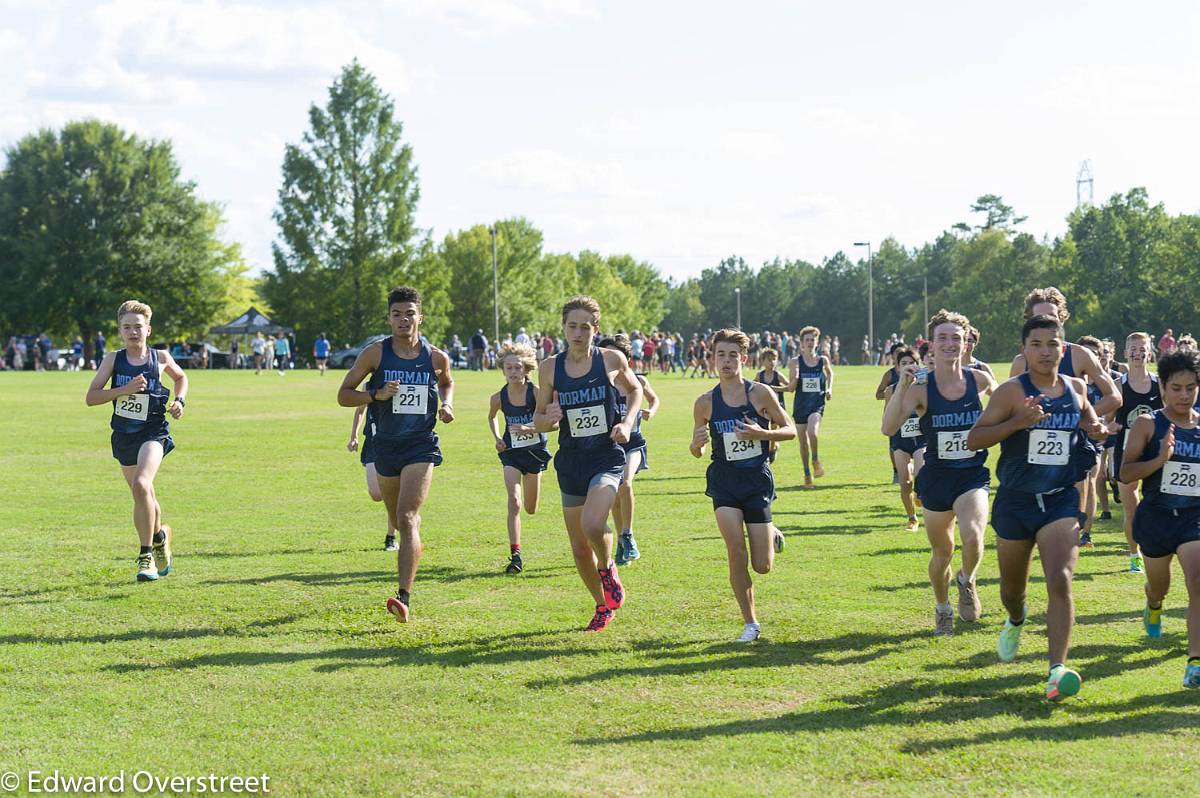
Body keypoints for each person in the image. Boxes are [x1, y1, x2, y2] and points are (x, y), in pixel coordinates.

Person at [970, 314, 1108, 699]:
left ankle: (1056, 670)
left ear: (1064, 349)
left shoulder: (1076, 387)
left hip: (1061, 499)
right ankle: (1016, 619)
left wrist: (1095, 429)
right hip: (1016, 501)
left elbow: (1091, 422)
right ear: (1024, 349)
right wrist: (1018, 422)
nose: (1046, 352)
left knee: (1060, 578)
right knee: (1012, 590)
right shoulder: (1012, 392)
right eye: (1037, 345)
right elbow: (975, 439)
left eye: (1053, 344)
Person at [337, 286, 455, 623]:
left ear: (421, 316)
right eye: (396, 314)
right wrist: (375, 394)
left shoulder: (436, 357)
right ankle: (412, 540)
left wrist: (447, 404)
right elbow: (344, 395)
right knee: (401, 521)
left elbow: (447, 381)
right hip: (384, 444)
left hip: (421, 443)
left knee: (406, 516)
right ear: (389, 318)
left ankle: (404, 596)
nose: (403, 319)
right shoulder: (375, 354)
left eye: (409, 313)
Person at [524, 296, 642, 632]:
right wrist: (550, 417)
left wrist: (627, 422)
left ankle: (607, 568)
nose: (578, 333)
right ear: (563, 328)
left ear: (595, 329)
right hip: (571, 459)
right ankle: (602, 605)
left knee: (593, 525)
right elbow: (539, 420)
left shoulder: (611, 360)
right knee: (578, 548)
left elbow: (634, 392)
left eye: (585, 327)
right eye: (572, 326)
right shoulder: (550, 368)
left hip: (605, 455)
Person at [883, 309, 998, 636]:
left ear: (965, 345)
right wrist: (903, 387)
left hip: (972, 474)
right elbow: (888, 426)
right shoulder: (920, 388)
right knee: (942, 553)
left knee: (974, 534)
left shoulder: (979, 380)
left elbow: (1006, 403)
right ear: (931, 345)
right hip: (935, 478)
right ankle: (942, 606)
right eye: (943, 338)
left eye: (956, 338)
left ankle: (967, 579)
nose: (950, 344)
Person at [691, 329, 796, 642]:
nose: (726, 361)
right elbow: (696, 449)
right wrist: (696, 444)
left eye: (732, 355)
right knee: (735, 550)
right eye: (720, 355)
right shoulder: (705, 403)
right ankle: (750, 623)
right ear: (712, 359)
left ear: (744, 359)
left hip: (756, 481)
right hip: (724, 482)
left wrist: (763, 435)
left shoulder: (760, 394)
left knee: (762, 565)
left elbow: (790, 429)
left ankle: (771, 533)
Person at [85, 301, 188, 582]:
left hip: (154, 432)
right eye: (127, 327)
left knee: (143, 484)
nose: (133, 332)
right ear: (120, 331)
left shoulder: (161, 357)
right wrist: (124, 389)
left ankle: (145, 557)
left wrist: (179, 401)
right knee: (144, 494)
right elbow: (91, 397)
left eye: (138, 327)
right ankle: (159, 536)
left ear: (148, 329)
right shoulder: (112, 360)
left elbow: (181, 378)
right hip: (124, 435)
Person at [1118, 348, 1200, 689]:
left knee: (1197, 581)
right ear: (1163, 387)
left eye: (1191, 387)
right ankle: (1153, 604)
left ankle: (1194, 662)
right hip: (1156, 519)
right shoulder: (1148, 423)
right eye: (1176, 387)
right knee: (1160, 585)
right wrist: (1160, 460)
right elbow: (1124, 474)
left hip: (1194, 518)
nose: (1184, 395)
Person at [487, 342, 551, 575]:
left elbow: (551, 421)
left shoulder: (536, 392)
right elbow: (492, 417)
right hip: (511, 453)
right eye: (509, 368)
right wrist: (497, 437)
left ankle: (517, 551)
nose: (513, 372)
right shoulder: (498, 397)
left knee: (531, 508)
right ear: (503, 370)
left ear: (526, 369)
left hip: (534, 453)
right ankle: (516, 555)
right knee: (514, 501)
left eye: (517, 368)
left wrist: (530, 429)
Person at [599, 334, 660, 566]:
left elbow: (654, 400)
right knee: (614, 494)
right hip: (610, 444)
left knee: (625, 483)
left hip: (634, 442)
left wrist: (650, 412)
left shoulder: (639, 381)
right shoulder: (602, 384)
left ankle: (628, 534)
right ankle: (622, 540)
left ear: (626, 359)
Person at [1111, 332, 1164, 573]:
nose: (1137, 353)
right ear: (1125, 353)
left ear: (1149, 353)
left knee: (1157, 504)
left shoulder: (1159, 383)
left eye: (1142, 349)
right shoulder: (1117, 385)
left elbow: (1170, 413)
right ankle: (1135, 555)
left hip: (1154, 451)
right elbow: (1106, 420)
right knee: (1131, 505)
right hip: (1125, 452)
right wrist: (1108, 427)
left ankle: (1159, 550)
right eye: (1132, 348)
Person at [347, 396, 398, 552]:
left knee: (394, 494)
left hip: (397, 442)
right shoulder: (369, 385)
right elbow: (360, 410)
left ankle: (391, 536)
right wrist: (354, 436)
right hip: (374, 443)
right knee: (376, 494)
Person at [885, 346, 927, 531]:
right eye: (904, 364)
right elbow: (887, 418)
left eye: (912, 363)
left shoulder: (924, 387)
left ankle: (920, 492)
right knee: (905, 481)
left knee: (921, 471)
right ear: (898, 367)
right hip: (900, 440)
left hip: (920, 439)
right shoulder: (891, 390)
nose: (909, 366)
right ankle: (912, 518)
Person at [785, 326, 833, 488]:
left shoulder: (822, 360)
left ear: (817, 342)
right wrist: (796, 377)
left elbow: (830, 373)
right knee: (803, 443)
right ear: (802, 343)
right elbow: (791, 387)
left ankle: (815, 459)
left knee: (813, 432)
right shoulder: (794, 362)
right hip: (800, 406)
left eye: (813, 339)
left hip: (817, 403)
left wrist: (829, 388)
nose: (810, 342)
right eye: (807, 340)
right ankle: (807, 474)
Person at [754, 347, 788, 465]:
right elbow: (752, 388)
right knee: (765, 429)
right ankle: (770, 449)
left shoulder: (778, 375)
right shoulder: (760, 376)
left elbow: (789, 387)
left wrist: (776, 389)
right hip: (764, 408)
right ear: (763, 361)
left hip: (777, 407)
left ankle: (771, 450)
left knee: (773, 429)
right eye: (769, 360)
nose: (772, 362)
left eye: (774, 359)